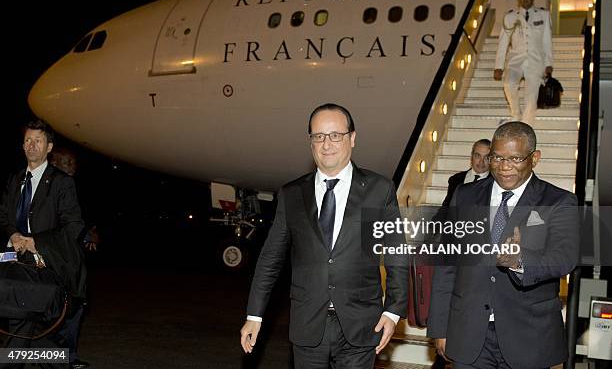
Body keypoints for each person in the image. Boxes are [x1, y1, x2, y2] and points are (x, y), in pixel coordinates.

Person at [240, 103, 408, 368]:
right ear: (311, 143)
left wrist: (393, 310)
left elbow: (397, 252)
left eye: (335, 135)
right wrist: (255, 315)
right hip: (308, 325)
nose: (326, 144)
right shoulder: (292, 194)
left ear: (352, 138)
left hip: (362, 324)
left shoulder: (379, 189)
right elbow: (270, 259)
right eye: (318, 137)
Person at [427, 121, 579, 368]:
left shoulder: (559, 201)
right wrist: (440, 327)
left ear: (534, 158)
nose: (504, 167)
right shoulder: (465, 195)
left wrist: (519, 261)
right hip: (469, 333)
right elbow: (448, 263)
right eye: (497, 158)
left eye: (516, 159)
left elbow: (564, 258)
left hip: (529, 337)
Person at [0, 119, 86, 368]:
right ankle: (58, 361)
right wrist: (14, 235)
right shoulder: (15, 180)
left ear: (49, 147)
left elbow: (74, 226)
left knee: (22, 320)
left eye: (38, 140)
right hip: (14, 263)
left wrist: (36, 242)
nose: (32, 145)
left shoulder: (61, 182)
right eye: (28, 140)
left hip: (45, 265)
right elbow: (4, 216)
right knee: (26, 324)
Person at [49, 146, 96, 369]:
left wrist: (86, 238)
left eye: (73, 162)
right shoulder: (52, 187)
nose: (72, 166)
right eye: (67, 162)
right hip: (55, 261)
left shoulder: (67, 187)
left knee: (73, 307)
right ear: (54, 163)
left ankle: (63, 357)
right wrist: (86, 233)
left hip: (69, 259)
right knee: (66, 307)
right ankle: (59, 358)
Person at [494, 0, 553, 126]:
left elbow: (547, 41)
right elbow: (503, 42)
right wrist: (498, 66)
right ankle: (515, 114)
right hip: (516, 60)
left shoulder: (543, 15)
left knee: (531, 97)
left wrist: (548, 63)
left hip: (536, 61)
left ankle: (526, 126)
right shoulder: (510, 17)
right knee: (509, 83)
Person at [440, 139, 491, 207]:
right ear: (472, 156)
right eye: (477, 156)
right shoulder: (455, 179)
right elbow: (446, 208)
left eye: (486, 157)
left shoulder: (495, 182)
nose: (481, 161)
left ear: (492, 159)